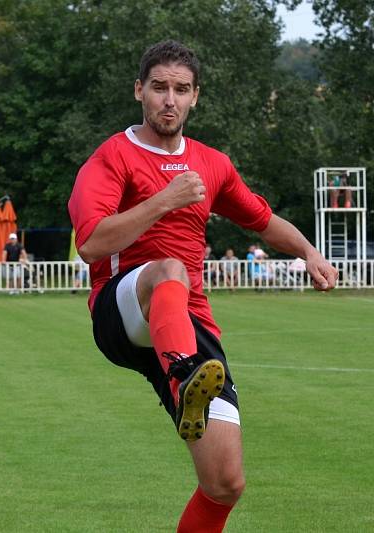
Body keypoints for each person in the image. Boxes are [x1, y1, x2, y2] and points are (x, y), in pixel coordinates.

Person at [68, 40, 338, 533]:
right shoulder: (112, 157)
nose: (169, 99)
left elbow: (261, 219)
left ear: (196, 97)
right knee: (168, 268)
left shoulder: (211, 163)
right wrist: (164, 200)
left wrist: (309, 252)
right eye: (159, 88)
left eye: (181, 89)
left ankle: (189, 373)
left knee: (224, 483)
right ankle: (186, 370)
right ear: (139, 91)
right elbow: (91, 244)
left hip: (187, 323)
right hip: (122, 312)